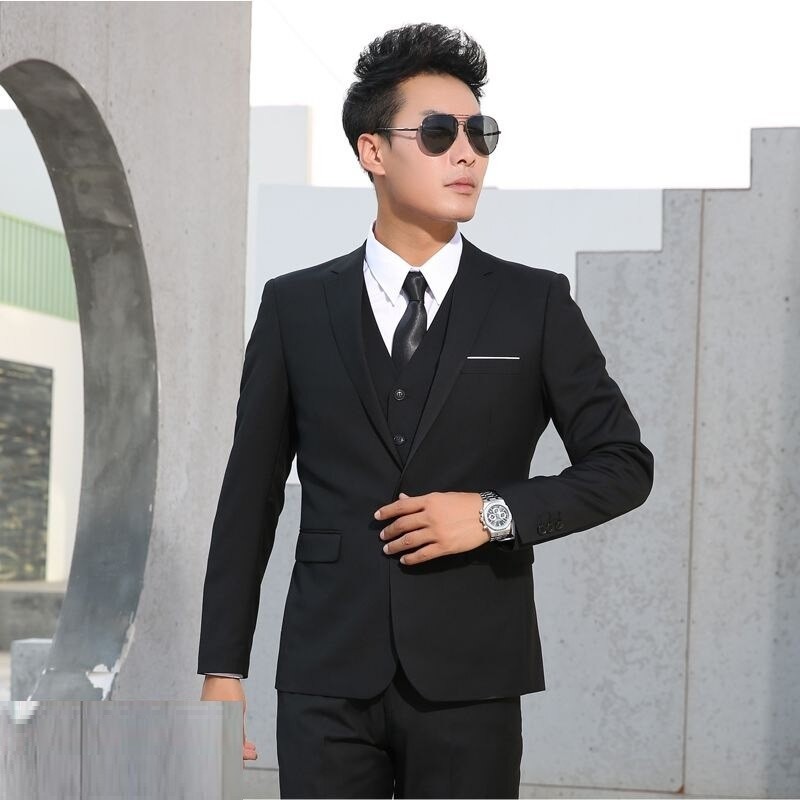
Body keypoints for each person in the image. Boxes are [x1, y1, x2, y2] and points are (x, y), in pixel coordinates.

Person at [198, 21, 654, 799]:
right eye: (439, 133)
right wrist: (222, 667)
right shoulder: (294, 306)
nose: (467, 153)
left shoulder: (535, 304)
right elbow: (250, 493)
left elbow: (623, 466)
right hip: (325, 675)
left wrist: (491, 513)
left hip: (473, 673)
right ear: (372, 151)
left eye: (481, 133)